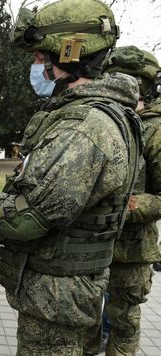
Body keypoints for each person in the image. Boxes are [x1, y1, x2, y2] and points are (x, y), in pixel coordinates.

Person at [0, 0, 143, 354]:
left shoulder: (85, 127)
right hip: (70, 293)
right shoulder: (104, 114)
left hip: (56, 297)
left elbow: (29, 217)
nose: (35, 66)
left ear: (69, 54)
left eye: (38, 58)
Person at [98, 45, 161, 355]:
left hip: (132, 253)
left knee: (121, 326)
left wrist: (127, 207)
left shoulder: (156, 130)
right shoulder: (105, 121)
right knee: (86, 325)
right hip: (92, 247)